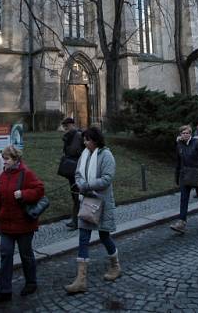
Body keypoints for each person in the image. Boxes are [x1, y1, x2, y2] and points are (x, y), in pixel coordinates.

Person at [65, 126, 121, 294]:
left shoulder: (106, 155)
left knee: (104, 236)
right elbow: (77, 174)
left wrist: (87, 185)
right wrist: (81, 183)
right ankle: (81, 280)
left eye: (87, 139)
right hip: (87, 201)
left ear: (95, 140)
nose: (84, 142)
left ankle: (115, 266)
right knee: (83, 237)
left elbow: (107, 178)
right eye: (84, 139)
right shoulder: (85, 154)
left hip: (101, 203)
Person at [0, 145, 45, 304]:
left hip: (24, 224)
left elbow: (40, 189)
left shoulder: (26, 173)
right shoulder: (4, 175)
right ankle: (5, 291)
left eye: (6, 159)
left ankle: (31, 283)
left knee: (26, 255)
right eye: (4, 159)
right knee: (5, 256)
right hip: (6, 224)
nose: (4, 162)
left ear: (15, 160)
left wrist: (24, 194)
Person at [170, 124, 198, 233]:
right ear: (180, 134)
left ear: (190, 134)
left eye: (187, 133)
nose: (185, 134)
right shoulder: (179, 145)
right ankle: (182, 222)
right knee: (184, 199)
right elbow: (178, 161)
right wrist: (177, 176)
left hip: (197, 175)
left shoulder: (197, 143)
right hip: (184, 175)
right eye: (183, 133)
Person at [60, 117, 84, 229]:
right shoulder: (67, 137)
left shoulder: (79, 135)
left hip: (78, 169)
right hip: (71, 169)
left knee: (78, 195)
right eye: (64, 126)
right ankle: (76, 220)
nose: (65, 128)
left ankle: (77, 220)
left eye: (67, 126)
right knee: (75, 195)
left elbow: (80, 151)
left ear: (72, 125)